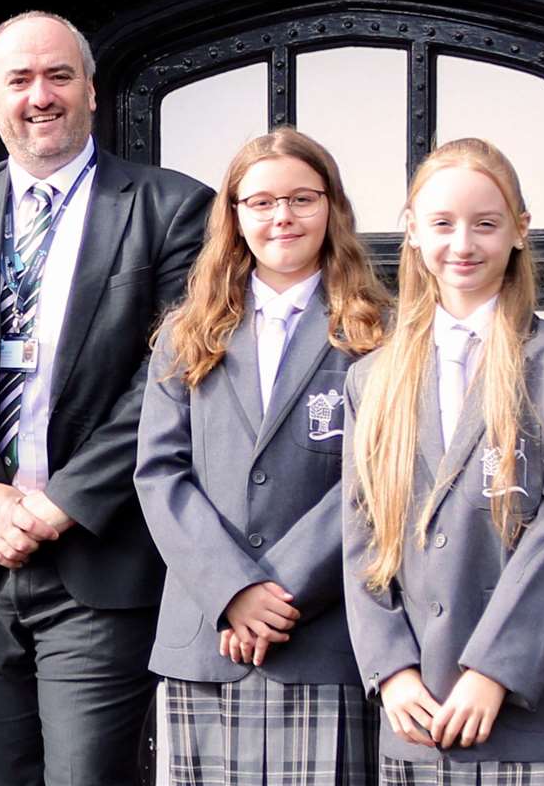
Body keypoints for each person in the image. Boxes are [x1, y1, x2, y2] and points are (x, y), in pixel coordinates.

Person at [0, 10, 214, 784]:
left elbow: (173, 378)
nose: (41, 95)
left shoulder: (171, 210)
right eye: (20, 80)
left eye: (59, 76)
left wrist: (66, 497)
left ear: (91, 92)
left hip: (98, 560)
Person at [342, 137, 544, 784]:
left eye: (485, 223)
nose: (462, 243)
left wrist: (494, 671)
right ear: (411, 232)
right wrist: (390, 671)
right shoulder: (372, 380)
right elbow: (360, 534)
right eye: (441, 224)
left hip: (521, 711)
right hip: (411, 714)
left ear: (519, 231)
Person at [136, 129, 387, 784]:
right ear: (234, 215)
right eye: (262, 202)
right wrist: (233, 589)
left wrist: (277, 592)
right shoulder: (186, 334)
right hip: (208, 636)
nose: (282, 217)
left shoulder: (376, 333)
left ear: (331, 207)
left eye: (301, 199)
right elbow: (159, 475)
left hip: (322, 636)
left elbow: (375, 481)